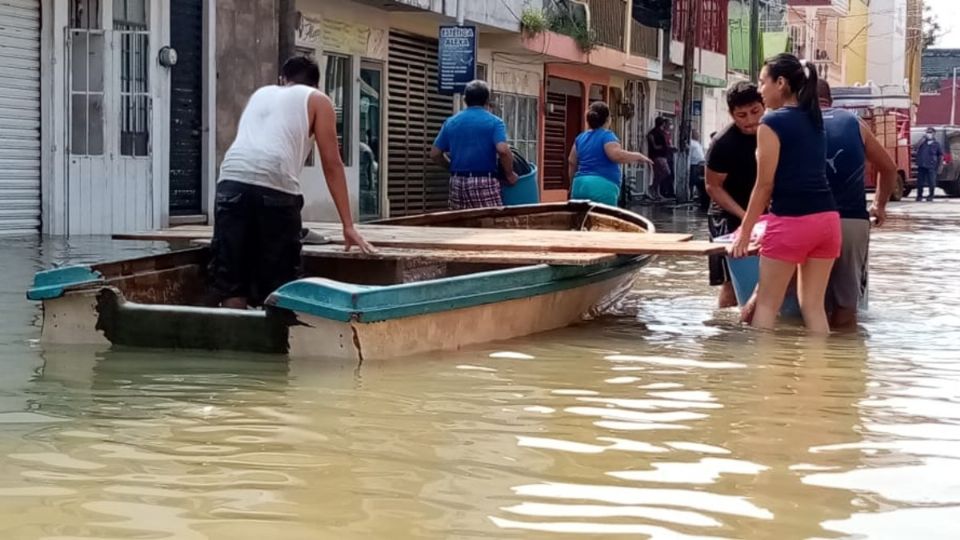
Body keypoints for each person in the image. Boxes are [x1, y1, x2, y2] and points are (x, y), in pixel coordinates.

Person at [209, 56, 374, 309]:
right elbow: (332, 164)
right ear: (315, 85)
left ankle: (235, 340)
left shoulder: (262, 94)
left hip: (231, 181)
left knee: (232, 279)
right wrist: (348, 226)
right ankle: (277, 339)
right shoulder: (319, 100)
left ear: (282, 80)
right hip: (276, 186)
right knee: (281, 283)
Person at [729, 53, 840, 335]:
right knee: (813, 308)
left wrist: (745, 232)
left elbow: (764, 185)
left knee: (767, 305)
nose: (759, 89)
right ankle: (819, 373)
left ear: (780, 83)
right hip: (827, 221)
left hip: (792, 221)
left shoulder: (772, 122)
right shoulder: (814, 119)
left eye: (762, 81)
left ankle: (763, 377)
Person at [818, 80, 898, 329]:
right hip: (850, 221)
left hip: (807, 219)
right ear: (830, 99)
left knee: (808, 298)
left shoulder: (793, 123)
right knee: (846, 301)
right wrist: (878, 206)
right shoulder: (854, 123)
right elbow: (889, 168)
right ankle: (846, 357)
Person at [705, 81, 765, 308]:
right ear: (731, 114)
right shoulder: (723, 143)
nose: (750, 121)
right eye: (742, 115)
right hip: (727, 216)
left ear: (764, 106)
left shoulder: (773, 133)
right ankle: (724, 335)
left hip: (763, 213)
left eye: (755, 112)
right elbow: (713, 187)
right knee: (730, 283)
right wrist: (747, 217)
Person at [430, 80, 516, 209]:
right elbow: (503, 150)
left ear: (465, 100)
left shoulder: (451, 122)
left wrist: (451, 167)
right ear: (487, 101)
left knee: (461, 225)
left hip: (457, 183)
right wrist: (509, 174)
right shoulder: (495, 122)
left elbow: (435, 154)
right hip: (484, 181)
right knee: (492, 225)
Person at [567, 101, 654, 205]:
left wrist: (572, 185)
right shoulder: (607, 136)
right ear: (608, 119)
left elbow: (572, 162)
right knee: (604, 219)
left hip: (579, 185)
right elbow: (615, 155)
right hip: (602, 186)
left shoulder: (580, 138)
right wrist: (638, 156)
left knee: (580, 219)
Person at [646, 117, 672, 200]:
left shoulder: (659, 133)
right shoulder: (654, 133)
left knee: (657, 174)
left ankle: (657, 193)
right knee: (666, 172)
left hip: (661, 155)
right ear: (662, 124)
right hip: (658, 156)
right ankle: (652, 187)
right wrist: (666, 147)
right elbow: (655, 146)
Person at [915, 127, 943, 202]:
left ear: (934, 134)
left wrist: (940, 166)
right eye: (927, 132)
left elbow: (940, 155)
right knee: (920, 182)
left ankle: (931, 196)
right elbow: (915, 147)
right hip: (921, 165)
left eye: (930, 132)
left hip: (932, 166)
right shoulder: (922, 143)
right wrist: (922, 139)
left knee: (932, 182)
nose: (929, 134)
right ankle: (919, 196)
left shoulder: (936, 144)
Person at [689, 128, 707, 209]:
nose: (698, 135)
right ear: (692, 134)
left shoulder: (697, 143)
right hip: (694, 163)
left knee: (698, 181)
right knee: (693, 180)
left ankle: (696, 194)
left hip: (700, 163)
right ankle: (691, 194)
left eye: (698, 133)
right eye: (697, 133)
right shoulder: (691, 143)